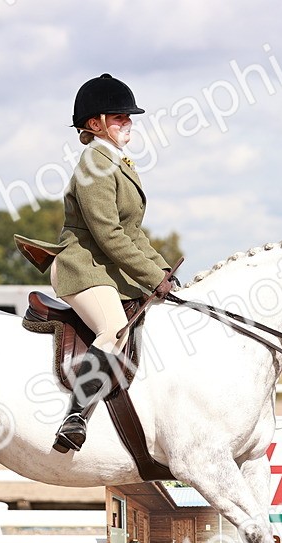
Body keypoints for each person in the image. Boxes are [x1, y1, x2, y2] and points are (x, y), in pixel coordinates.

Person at [15, 74, 176, 453]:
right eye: (118, 117)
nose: (128, 123)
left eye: (128, 117)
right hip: (82, 268)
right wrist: (153, 276)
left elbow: (133, 232)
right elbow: (108, 235)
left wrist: (164, 271)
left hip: (107, 269)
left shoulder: (117, 162)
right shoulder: (93, 165)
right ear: (94, 124)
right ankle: (75, 417)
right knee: (114, 330)